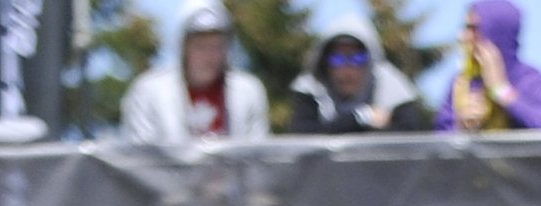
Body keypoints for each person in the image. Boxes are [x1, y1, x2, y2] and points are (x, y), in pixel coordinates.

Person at [121, 1, 269, 143]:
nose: (210, 56)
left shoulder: (248, 92)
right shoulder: (148, 93)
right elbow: (140, 154)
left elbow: (257, 152)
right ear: (183, 48)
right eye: (200, 46)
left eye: (217, 46)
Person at [435, 0, 541, 131]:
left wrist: (501, 91)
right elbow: (440, 135)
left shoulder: (530, 81)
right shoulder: (461, 83)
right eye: (465, 28)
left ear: (496, 34)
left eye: (473, 28)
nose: (462, 36)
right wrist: (461, 127)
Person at [286, 26, 430, 130]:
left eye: (357, 59)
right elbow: (303, 137)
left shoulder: (393, 90)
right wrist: (362, 117)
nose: (347, 70)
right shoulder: (310, 88)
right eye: (337, 59)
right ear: (324, 64)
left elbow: (408, 141)